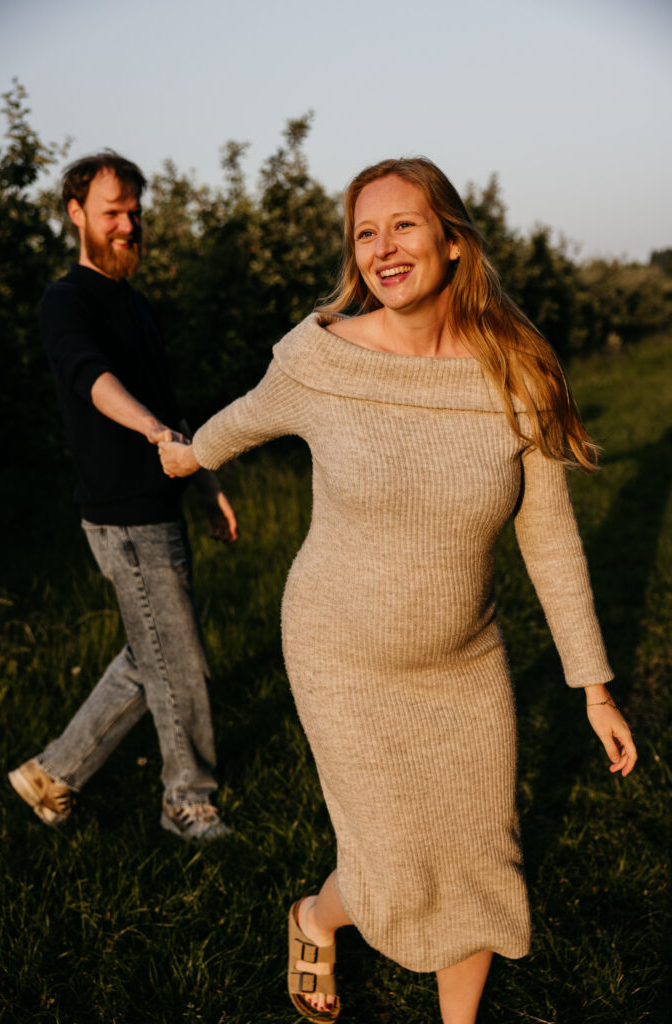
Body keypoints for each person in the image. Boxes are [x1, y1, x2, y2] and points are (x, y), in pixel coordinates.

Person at [158, 158, 637, 1021]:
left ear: (451, 241)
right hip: (340, 654)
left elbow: (551, 541)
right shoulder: (320, 357)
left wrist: (592, 687)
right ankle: (313, 916)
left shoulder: (514, 374)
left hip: (464, 662)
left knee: (479, 859)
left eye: (402, 225)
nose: (381, 247)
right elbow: (243, 417)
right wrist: (188, 454)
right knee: (392, 862)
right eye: (364, 233)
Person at [8, 151, 237, 842]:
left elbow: (170, 401)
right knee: (179, 658)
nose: (128, 226)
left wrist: (205, 478)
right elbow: (91, 378)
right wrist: (153, 430)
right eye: (112, 213)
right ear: (76, 214)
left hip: (160, 498)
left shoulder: (135, 303)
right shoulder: (65, 300)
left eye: (134, 213)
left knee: (155, 654)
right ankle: (186, 801)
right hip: (120, 511)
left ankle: (52, 775)